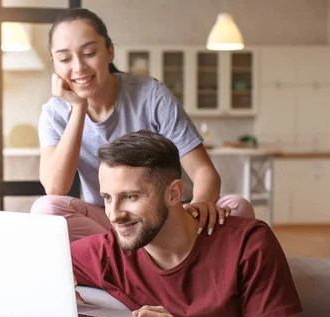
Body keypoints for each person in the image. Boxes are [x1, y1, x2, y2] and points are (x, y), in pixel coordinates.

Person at [71, 130, 330, 317]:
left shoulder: (248, 242)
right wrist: (59, 292)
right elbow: (32, 267)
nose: (115, 214)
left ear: (174, 193)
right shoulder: (107, 253)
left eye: (131, 196)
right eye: (107, 197)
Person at [31, 7, 255, 242]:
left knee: (238, 208)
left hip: (169, 216)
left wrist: (199, 209)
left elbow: (204, 171)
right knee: (46, 210)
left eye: (88, 53)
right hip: (112, 222)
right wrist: (79, 108)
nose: (78, 67)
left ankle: (133, 263)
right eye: (65, 58)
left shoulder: (150, 95)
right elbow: (55, 187)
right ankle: (144, 262)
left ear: (109, 51)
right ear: (55, 65)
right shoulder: (54, 114)